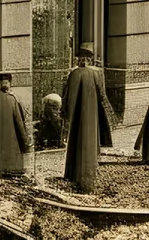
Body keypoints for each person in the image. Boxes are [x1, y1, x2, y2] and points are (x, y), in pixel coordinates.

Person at [61, 44, 113, 193]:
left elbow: (67, 97)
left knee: (76, 141)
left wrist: (67, 114)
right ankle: (89, 176)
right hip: (91, 114)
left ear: (79, 59)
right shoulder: (96, 74)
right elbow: (102, 95)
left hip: (77, 115)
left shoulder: (73, 74)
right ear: (90, 60)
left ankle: (73, 176)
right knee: (90, 141)